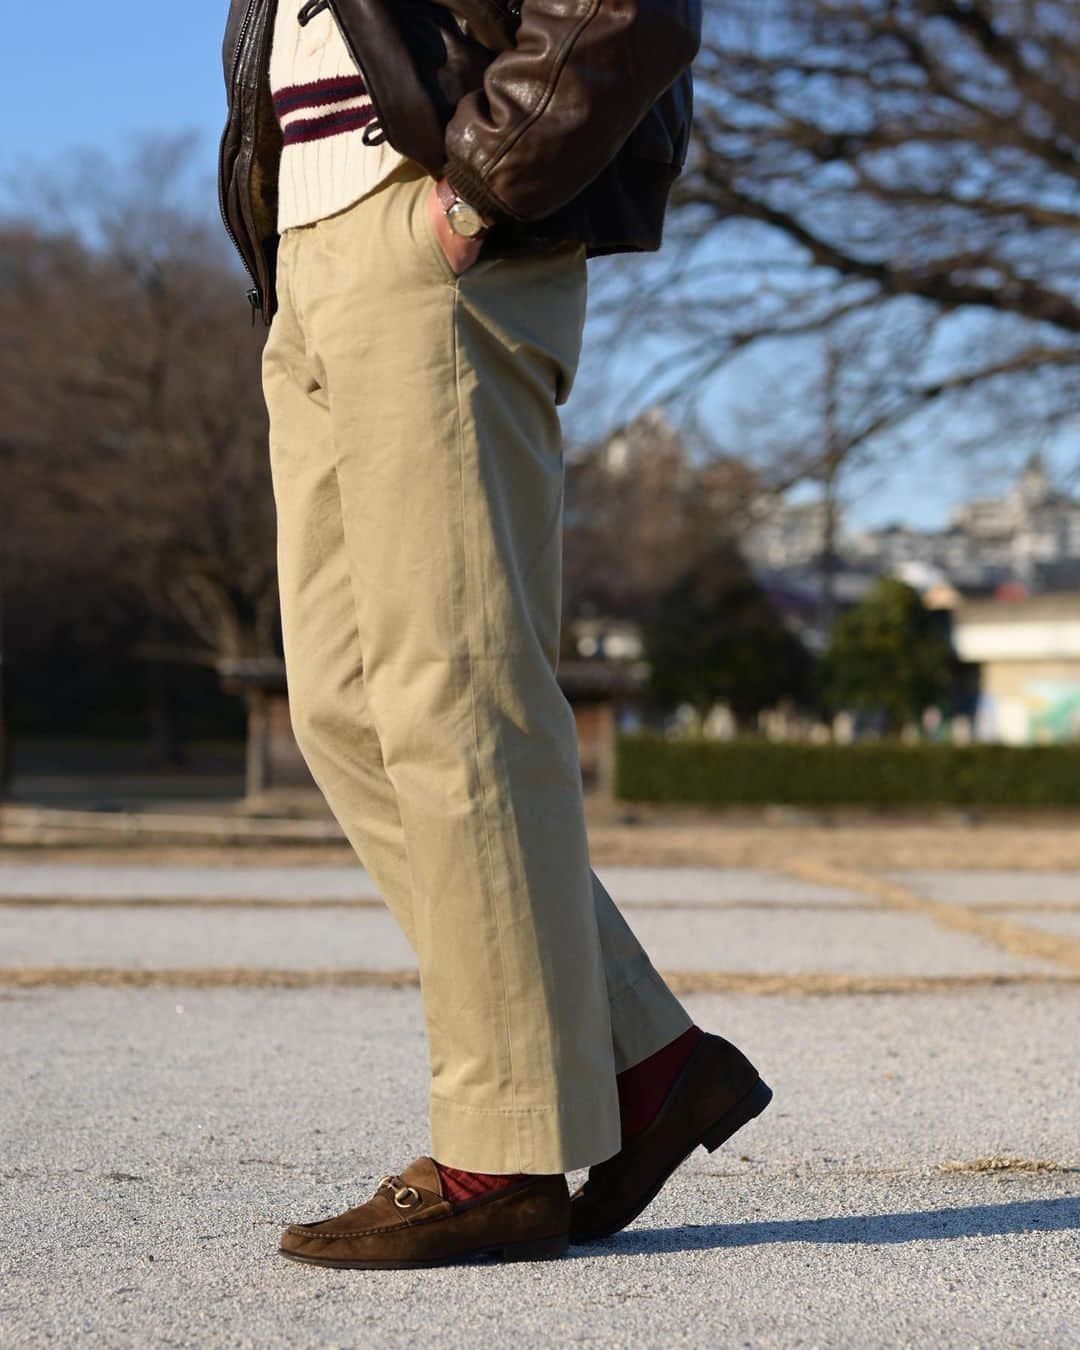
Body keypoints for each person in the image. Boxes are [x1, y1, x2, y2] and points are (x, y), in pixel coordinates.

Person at [218, 0, 771, 1270]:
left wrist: (477, 196)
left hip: (431, 211)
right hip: (309, 249)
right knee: (348, 706)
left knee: (453, 692)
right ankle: (644, 1063)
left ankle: (503, 1157)